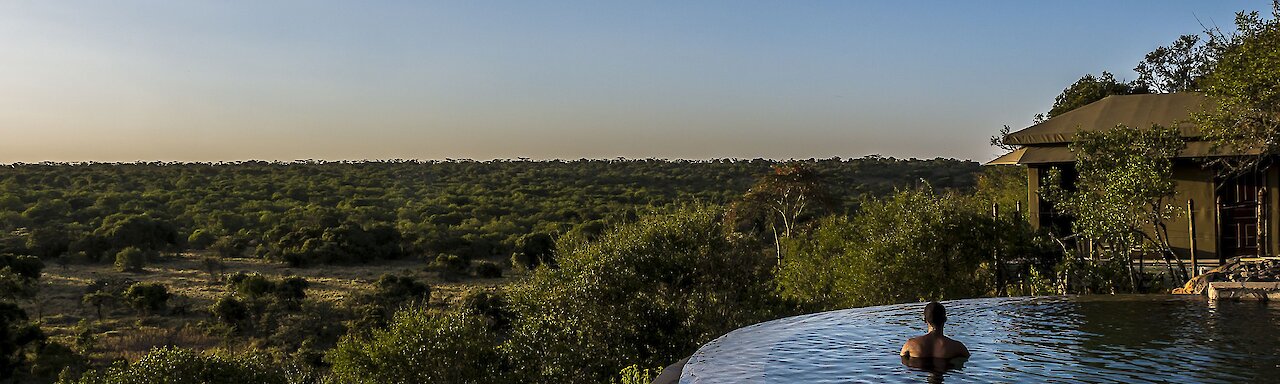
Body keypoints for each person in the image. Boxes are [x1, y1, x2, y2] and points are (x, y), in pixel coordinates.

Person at [900, 301, 969, 370]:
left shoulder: (910, 345)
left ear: (924, 320)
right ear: (945, 319)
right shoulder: (958, 347)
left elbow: (903, 364)